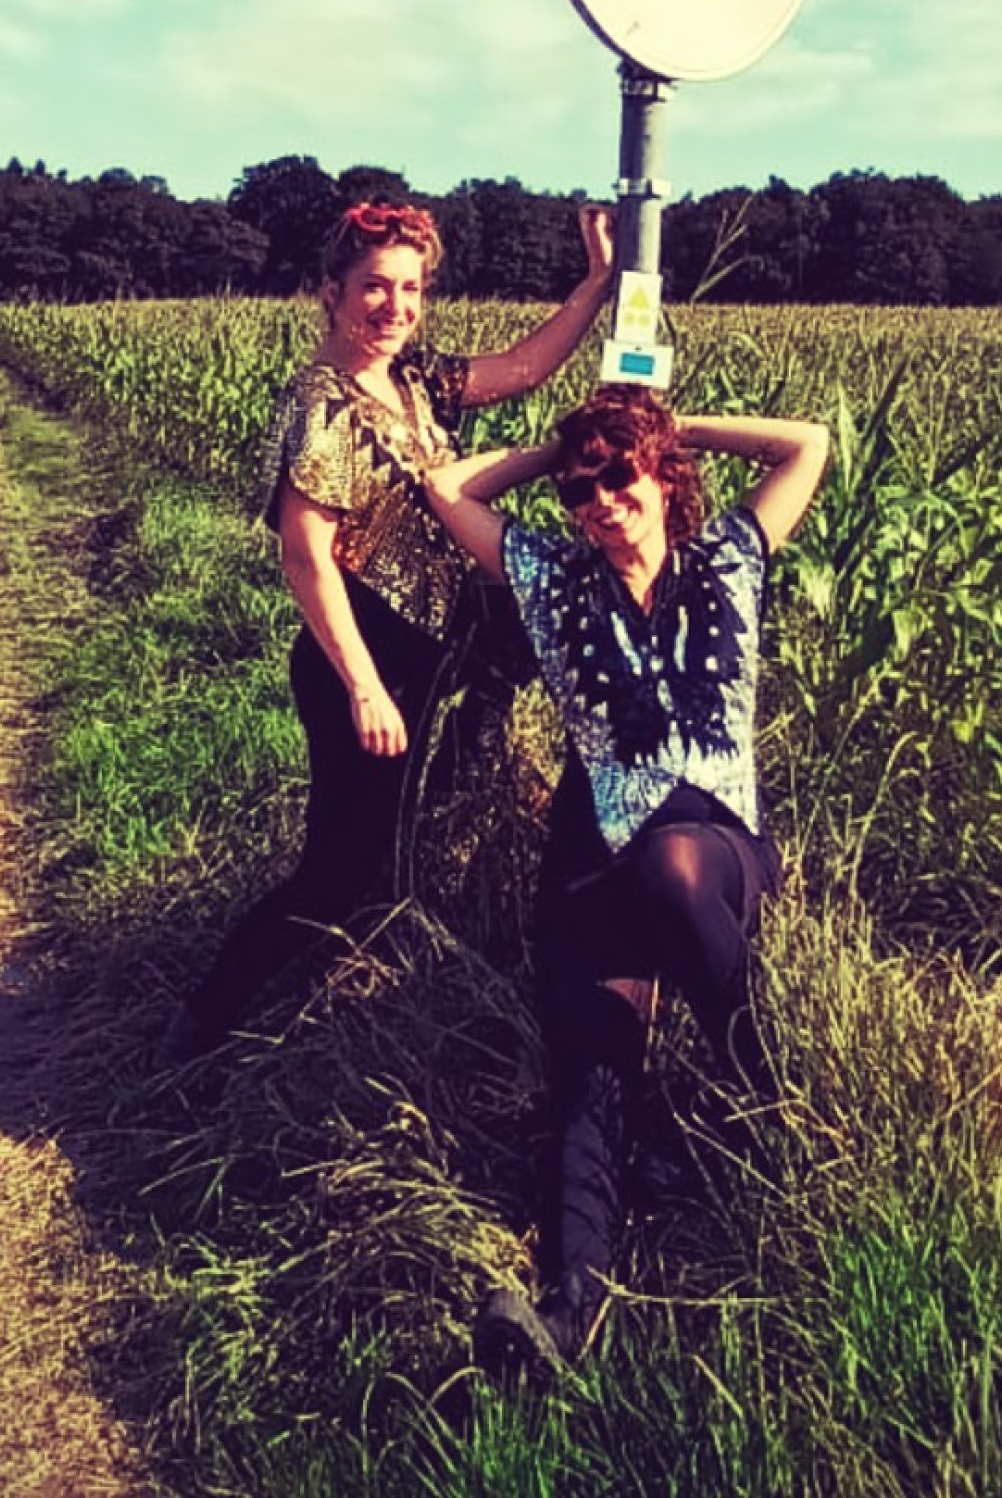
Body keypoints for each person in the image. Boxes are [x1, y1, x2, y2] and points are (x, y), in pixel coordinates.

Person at [421, 384, 831, 1380]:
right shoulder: (551, 577)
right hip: (595, 856)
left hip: (710, 851)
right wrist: (558, 447)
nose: (600, 502)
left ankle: (764, 1101)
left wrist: (673, 425)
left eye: (618, 476)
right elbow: (445, 486)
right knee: (587, 1078)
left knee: (671, 869)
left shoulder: (728, 558)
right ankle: (569, 1314)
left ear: (662, 474)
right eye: (580, 490)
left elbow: (807, 443)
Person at [165, 198, 614, 1057]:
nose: (395, 307)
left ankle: (354, 964)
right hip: (361, 658)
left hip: (429, 646)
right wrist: (364, 686)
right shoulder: (322, 408)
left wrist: (596, 283)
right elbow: (307, 558)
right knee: (336, 873)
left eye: (410, 289)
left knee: (397, 829)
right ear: (331, 293)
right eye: (375, 287)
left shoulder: (410, 382)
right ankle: (202, 1026)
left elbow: (521, 370)